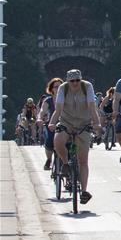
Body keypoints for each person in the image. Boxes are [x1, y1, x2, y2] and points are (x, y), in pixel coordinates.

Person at [47, 70, 102, 204]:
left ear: (81, 79)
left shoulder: (87, 86)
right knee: (58, 141)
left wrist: (97, 123)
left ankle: (84, 191)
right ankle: (65, 163)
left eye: (77, 80)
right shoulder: (63, 88)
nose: (75, 83)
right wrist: (52, 123)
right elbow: (58, 109)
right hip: (67, 121)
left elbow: (91, 107)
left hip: (83, 123)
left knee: (83, 160)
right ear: (68, 81)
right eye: (72, 81)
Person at [39, 78, 63, 170]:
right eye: (56, 87)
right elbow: (42, 111)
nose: (58, 89)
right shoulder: (48, 100)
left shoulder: (67, 99)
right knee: (49, 141)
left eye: (60, 87)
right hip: (51, 125)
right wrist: (39, 118)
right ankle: (49, 159)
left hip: (65, 123)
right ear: (51, 89)